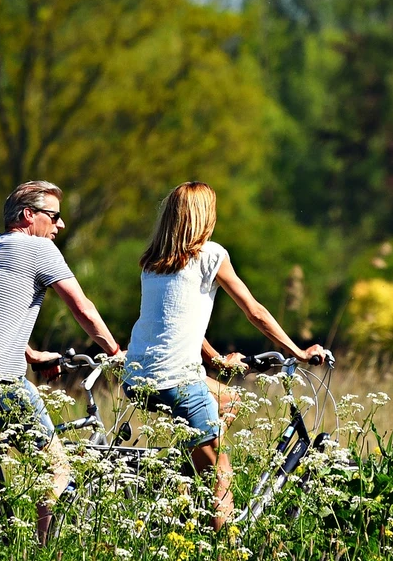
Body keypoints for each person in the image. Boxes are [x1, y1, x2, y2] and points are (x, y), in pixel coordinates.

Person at [124, 181, 328, 530]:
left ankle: (186, 478)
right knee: (222, 475)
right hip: (176, 378)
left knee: (229, 398)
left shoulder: (153, 263)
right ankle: (224, 547)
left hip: (137, 375)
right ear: (204, 217)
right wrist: (298, 352)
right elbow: (255, 311)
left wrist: (215, 359)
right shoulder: (211, 255)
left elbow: (175, 321)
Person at [0, 180, 123, 543]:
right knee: (56, 469)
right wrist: (115, 352)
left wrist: (32, 355)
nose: (60, 225)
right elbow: (82, 308)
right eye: (54, 216)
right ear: (28, 215)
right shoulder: (40, 249)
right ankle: (42, 550)